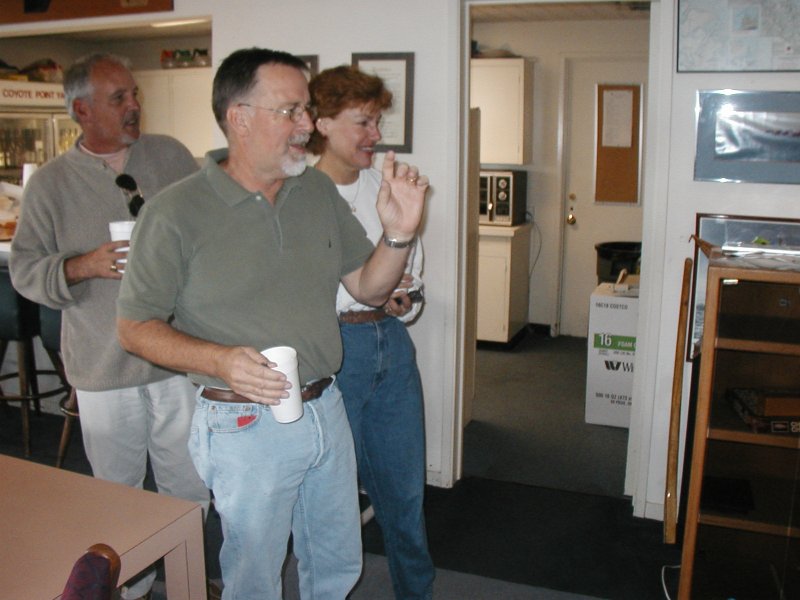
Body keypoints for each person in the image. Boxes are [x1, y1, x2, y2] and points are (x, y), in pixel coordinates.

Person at [115, 47, 429, 600]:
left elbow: (369, 288)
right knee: (254, 575)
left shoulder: (316, 192)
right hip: (241, 421)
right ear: (239, 118)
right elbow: (135, 326)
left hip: (326, 405)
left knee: (335, 562)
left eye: (307, 110)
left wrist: (398, 233)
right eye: (292, 111)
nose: (307, 126)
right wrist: (220, 359)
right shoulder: (175, 211)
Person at [9, 53, 211, 600]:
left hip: (177, 356)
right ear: (81, 110)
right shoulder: (51, 184)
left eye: (134, 94)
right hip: (103, 363)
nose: (133, 106)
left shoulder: (168, 155)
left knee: (189, 483)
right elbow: (27, 270)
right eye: (118, 98)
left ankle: (188, 582)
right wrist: (84, 265)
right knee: (117, 492)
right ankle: (130, 587)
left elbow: (208, 224)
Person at [308, 65, 435, 600]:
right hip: (336, 354)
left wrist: (405, 301)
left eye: (377, 121)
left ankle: (417, 594)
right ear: (322, 123)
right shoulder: (298, 195)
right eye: (362, 122)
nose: (375, 135)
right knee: (331, 499)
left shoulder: (386, 189)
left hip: (392, 348)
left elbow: (415, 278)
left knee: (406, 496)